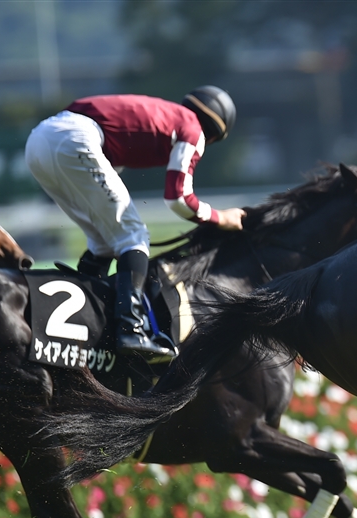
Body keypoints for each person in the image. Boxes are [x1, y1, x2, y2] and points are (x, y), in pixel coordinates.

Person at [25, 86, 246, 362]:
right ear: (213, 134)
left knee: (104, 242)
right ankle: (131, 330)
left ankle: (80, 319)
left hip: (39, 141)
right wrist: (221, 217)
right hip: (74, 138)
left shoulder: (165, 113)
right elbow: (178, 198)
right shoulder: (192, 128)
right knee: (134, 236)